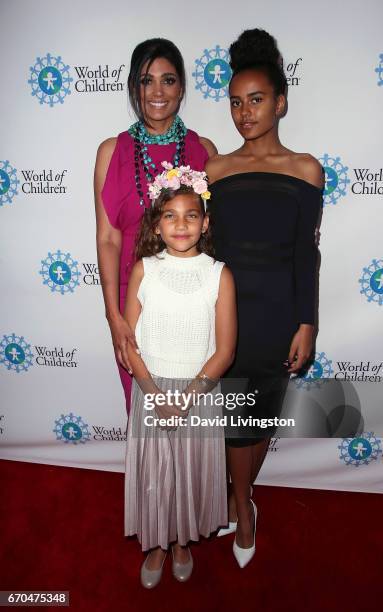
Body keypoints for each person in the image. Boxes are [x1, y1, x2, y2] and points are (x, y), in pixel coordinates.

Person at [206, 28, 324, 568]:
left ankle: (239, 492)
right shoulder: (216, 171)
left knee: (261, 418)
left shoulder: (305, 170)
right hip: (229, 316)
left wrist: (308, 323)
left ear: (280, 102)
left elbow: (306, 254)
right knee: (235, 417)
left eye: (255, 100)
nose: (244, 113)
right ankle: (245, 509)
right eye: (234, 102)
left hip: (280, 314)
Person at [123, 163, 236, 588]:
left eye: (191, 215)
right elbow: (130, 345)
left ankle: (182, 541)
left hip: (199, 394)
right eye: (170, 215)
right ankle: (156, 542)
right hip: (151, 391)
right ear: (157, 224)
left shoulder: (218, 274)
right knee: (157, 475)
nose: (181, 224)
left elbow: (224, 351)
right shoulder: (144, 270)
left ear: (205, 222)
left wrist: (185, 399)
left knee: (188, 475)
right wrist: (154, 395)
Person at [94, 38, 217, 413]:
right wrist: (114, 317)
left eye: (169, 80)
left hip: (192, 305)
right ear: (135, 86)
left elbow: (212, 237)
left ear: (181, 88)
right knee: (145, 417)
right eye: (147, 81)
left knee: (191, 418)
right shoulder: (111, 152)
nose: (158, 92)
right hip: (134, 306)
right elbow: (108, 239)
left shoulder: (205, 151)